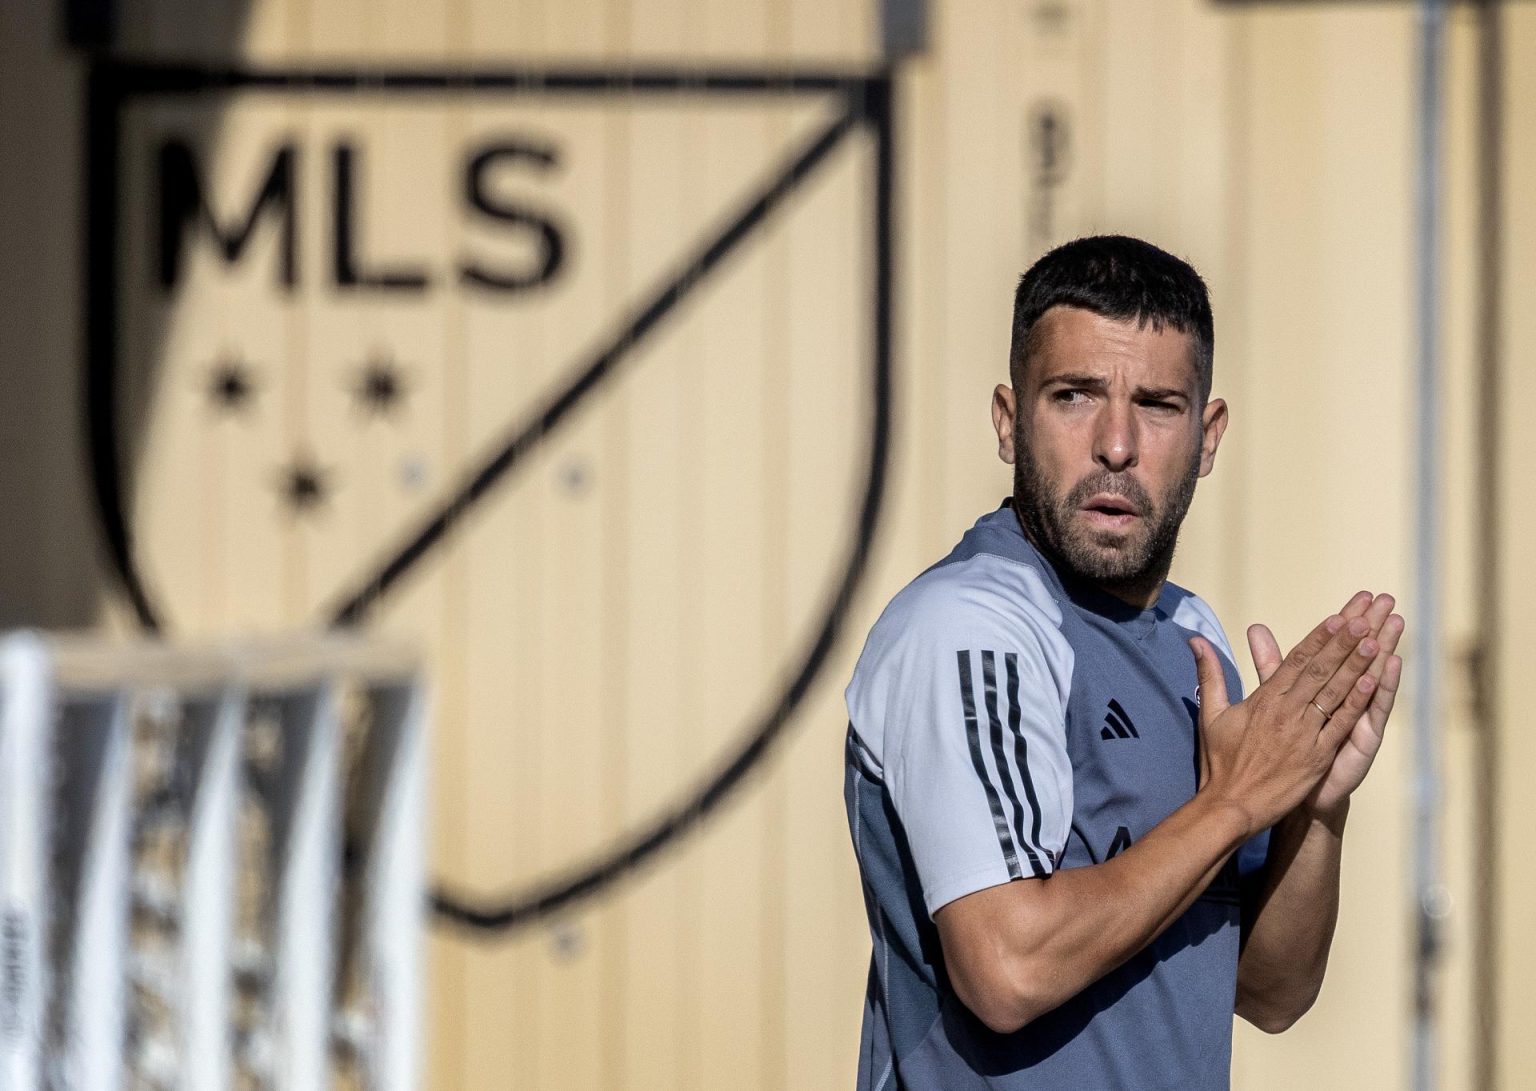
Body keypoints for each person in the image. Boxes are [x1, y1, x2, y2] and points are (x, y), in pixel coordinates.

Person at [842, 235, 1405, 1090]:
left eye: (1158, 404)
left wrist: (1314, 809)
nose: (1116, 443)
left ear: (1208, 435)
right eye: (1074, 396)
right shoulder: (968, 628)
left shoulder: (1194, 638)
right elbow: (1007, 968)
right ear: (1007, 419)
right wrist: (1237, 799)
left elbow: (1270, 989)